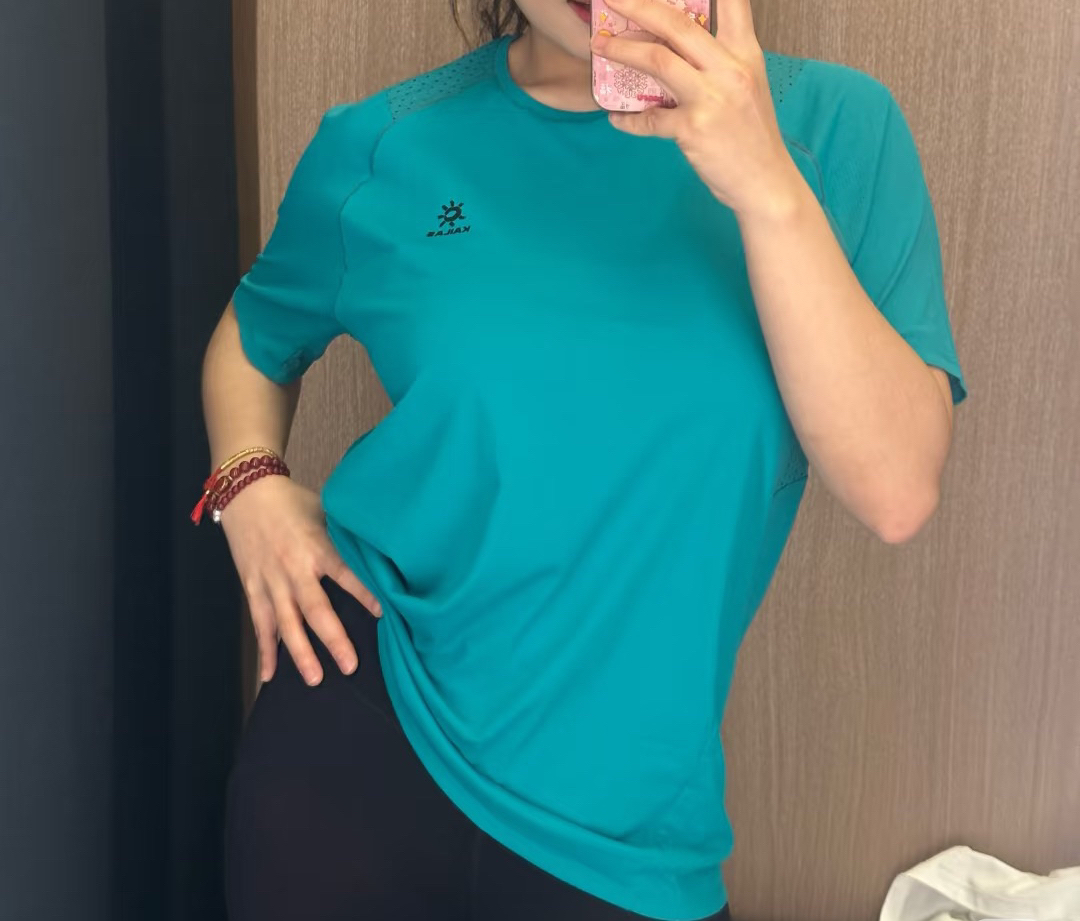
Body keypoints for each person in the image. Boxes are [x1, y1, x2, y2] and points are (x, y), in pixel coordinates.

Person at [200, 0, 969, 919]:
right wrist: (248, 482)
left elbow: (896, 489)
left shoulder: (834, 129)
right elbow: (255, 334)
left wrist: (767, 186)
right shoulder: (383, 143)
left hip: (626, 829)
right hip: (353, 735)